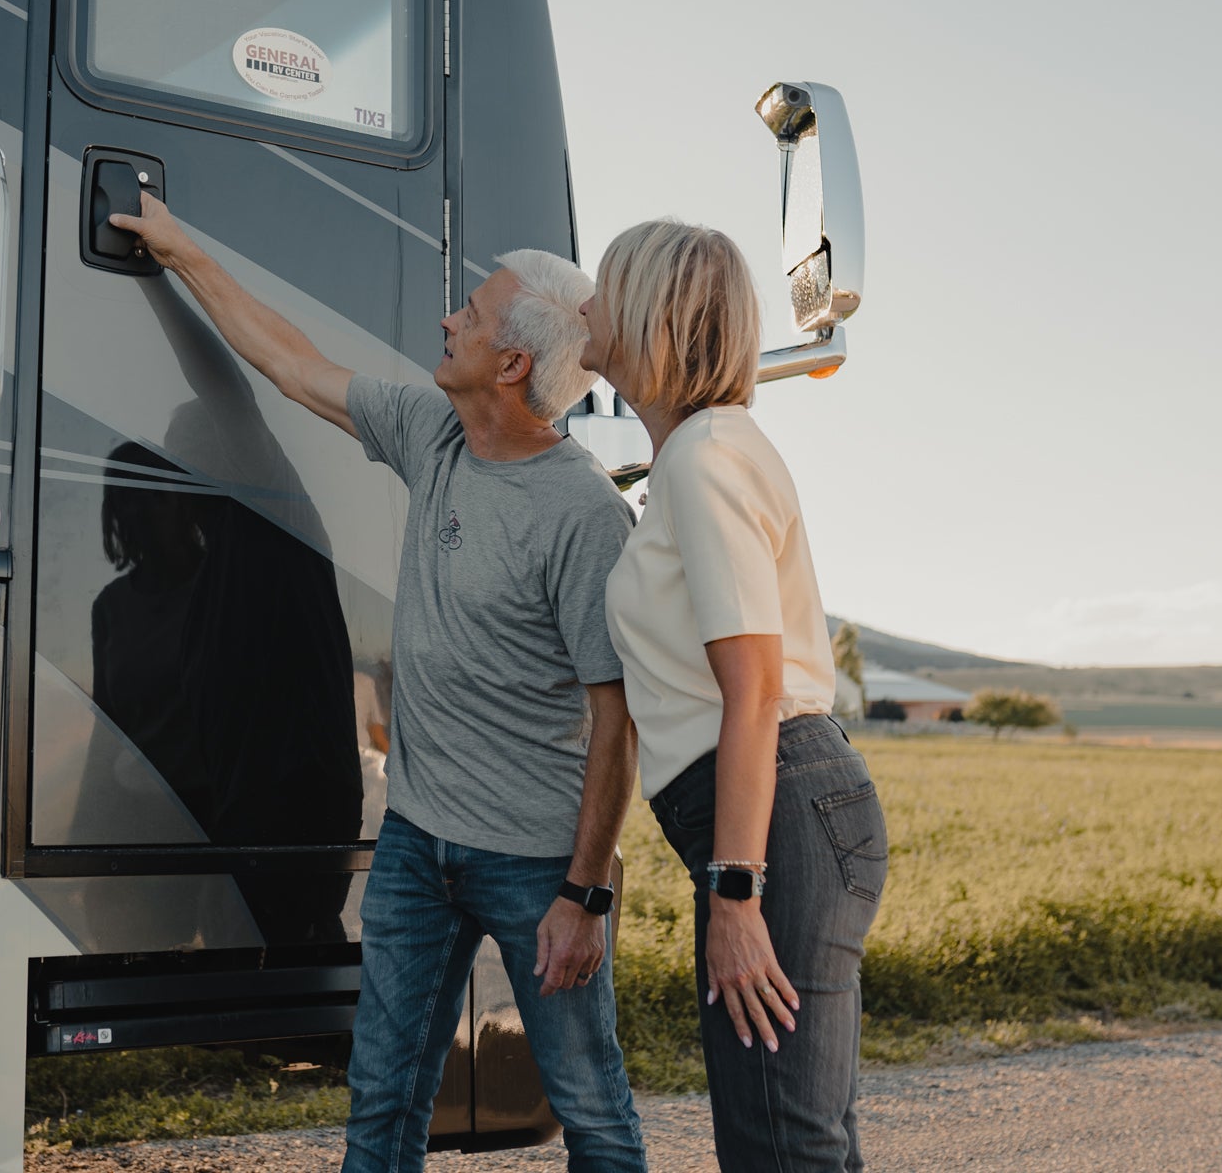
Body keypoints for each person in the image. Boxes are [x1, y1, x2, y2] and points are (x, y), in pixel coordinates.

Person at [112, 200, 647, 1173]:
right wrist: (183, 251)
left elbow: (618, 718)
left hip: (534, 863)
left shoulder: (583, 515)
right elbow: (290, 363)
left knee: (593, 1115)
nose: (448, 320)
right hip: (415, 847)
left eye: (470, 315)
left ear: (511, 363)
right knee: (383, 1103)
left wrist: (585, 893)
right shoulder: (431, 432)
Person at [580, 220, 889, 1172]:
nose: (586, 307)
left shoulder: (706, 458)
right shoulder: (698, 454)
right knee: (801, 1144)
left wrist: (738, 894)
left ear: (650, 316)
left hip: (773, 820)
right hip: (779, 813)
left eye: (604, 290)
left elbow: (753, 691)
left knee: (781, 1148)